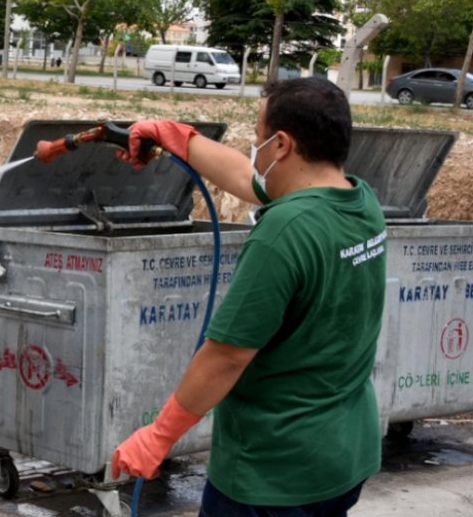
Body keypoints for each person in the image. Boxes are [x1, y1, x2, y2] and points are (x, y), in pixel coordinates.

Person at [111, 77, 388, 517]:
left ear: (282, 145)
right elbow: (246, 176)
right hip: (341, 458)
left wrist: (157, 437)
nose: (253, 148)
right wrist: (172, 134)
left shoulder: (284, 231)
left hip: (273, 472)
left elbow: (226, 356)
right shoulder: (359, 201)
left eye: (257, 138)